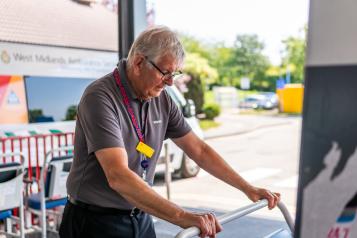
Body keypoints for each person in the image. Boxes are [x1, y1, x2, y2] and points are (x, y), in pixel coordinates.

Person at [59, 25, 280, 238]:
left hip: (140, 215)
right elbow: (118, 175)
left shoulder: (161, 98)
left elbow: (199, 150)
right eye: (165, 72)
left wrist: (247, 188)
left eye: (175, 73)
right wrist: (182, 216)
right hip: (95, 221)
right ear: (138, 63)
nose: (171, 82)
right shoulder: (100, 97)